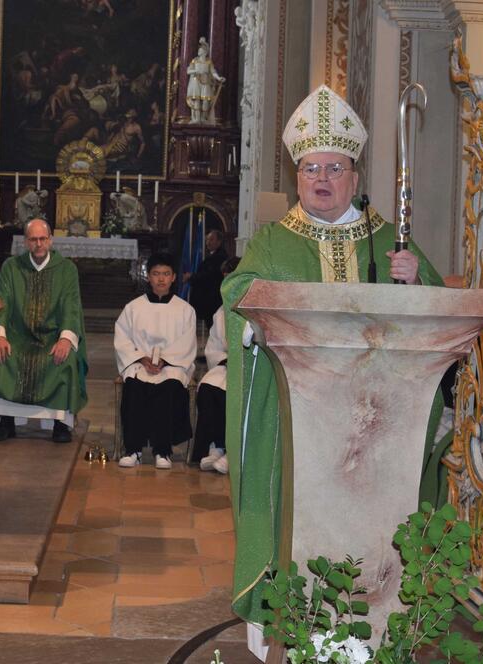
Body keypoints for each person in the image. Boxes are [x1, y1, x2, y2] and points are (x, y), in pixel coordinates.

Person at [222, 84, 444, 628]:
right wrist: (264, 301)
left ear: (354, 176)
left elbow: (440, 313)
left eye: (334, 168)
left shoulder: (390, 241)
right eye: (311, 168)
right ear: (297, 175)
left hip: (377, 424)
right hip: (299, 423)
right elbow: (238, 292)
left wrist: (416, 280)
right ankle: (297, 618)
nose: (321, 179)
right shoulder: (273, 242)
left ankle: (378, 616)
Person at [0, 219, 88, 443]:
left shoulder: (66, 269)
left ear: (50, 240)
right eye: (33, 239)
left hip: (52, 337)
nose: (38, 244)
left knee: (64, 360)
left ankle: (61, 424)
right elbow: (3, 302)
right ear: (26, 242)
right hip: (18, 336)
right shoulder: (11, 266)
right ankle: (6, 422)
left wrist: (66, 339)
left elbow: (71, 306)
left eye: (43, 239)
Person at [114, 252, 197, 469]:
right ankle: (133, 450)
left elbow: (186, 343)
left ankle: (163, 450)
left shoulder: (185, 310)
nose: (161, 279)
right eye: (156, 274)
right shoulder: (133, 308)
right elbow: (122, 338)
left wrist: (164, 361)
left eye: (166, 274)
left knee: (169, 387)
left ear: (173, 277)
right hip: (140, 363)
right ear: (148, 277)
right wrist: (142, 357)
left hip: (171, 365)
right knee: (133, 386)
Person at [193, 256, 239, 473]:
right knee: (208, 390)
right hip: (225, 366)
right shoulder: (221, 313)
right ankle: (215, 448)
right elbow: (213, 348)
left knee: (232, 396)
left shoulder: (257, 309)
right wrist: (224, 360)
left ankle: (233, 452)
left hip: (249, 371)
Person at [184, 229, 229, 325]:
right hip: (208, 299)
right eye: (207, 240)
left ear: (219, 242)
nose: (208, 243)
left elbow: (208, 276)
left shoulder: (219, 257)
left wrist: (192, 276)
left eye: (211, 240)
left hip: (212, 299)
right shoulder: (213, 256)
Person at [186, 37, 224, 124]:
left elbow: (213, 72)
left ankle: (203, 118)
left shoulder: (208, 62)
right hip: (196, 81)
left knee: (206, 100)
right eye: (199, 50)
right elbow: (188, 71)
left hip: (206, 82)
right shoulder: (195, 60)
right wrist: (195, 71)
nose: (199, 51)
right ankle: (197, 119)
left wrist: (219, 78)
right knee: (197, 99)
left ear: (205, 52)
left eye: (201, 50)